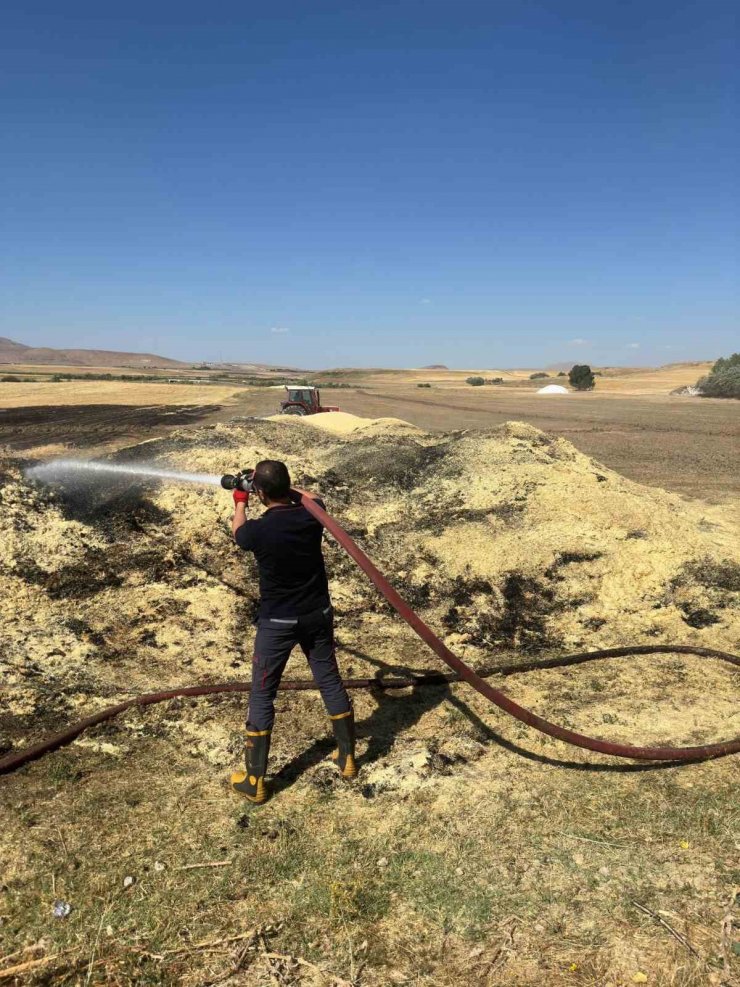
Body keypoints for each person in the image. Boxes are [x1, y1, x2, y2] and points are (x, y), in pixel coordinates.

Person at [229, 459, 356, 804]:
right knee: (329, 679)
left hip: (278, 623)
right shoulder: (311, 516)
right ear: (288, 487)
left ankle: (254, 780)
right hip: (317, 614)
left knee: (262, 694)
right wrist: (276, 486)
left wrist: (240, 499)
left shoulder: (258, 530)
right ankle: (347, 759)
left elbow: (238, 533)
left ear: (260, 492)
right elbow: (311, 497)